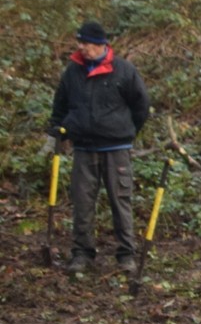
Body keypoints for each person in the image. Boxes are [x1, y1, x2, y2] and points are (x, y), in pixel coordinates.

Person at [45, 20, 149, 276]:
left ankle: (126, 255)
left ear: (101, 44)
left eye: (87, 43)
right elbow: (60, 106)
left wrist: (126, 131)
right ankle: (82, 253)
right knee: (82, 203)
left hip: (116, 148)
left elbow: (141, 105)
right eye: (80, 43)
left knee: (120, 201)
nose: (82, 48)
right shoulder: (72, 72)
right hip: (83, 148)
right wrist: (56, 131)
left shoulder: (123, 70)